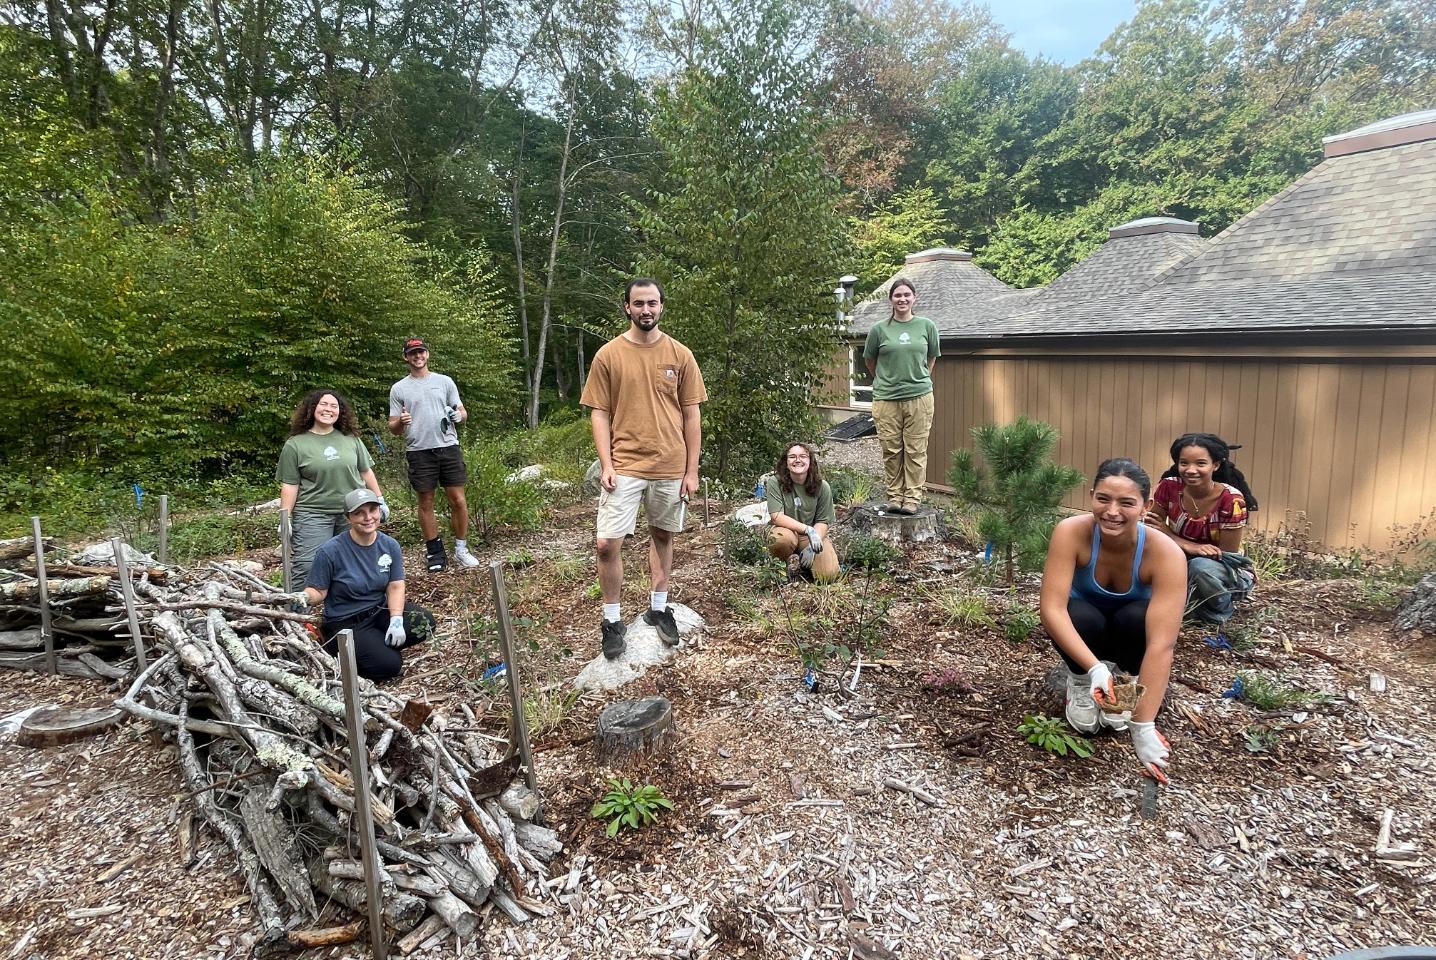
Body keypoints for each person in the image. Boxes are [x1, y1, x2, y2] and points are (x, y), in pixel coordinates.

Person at [579, 278, 706, 660]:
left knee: (663, 536)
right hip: (625, 464)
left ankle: (658, 606)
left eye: (652, 303)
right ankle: (612, 620)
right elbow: (599, 413)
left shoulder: (680, 354)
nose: (646, 310)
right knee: (606, 544)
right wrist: (606, 463)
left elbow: (691, 414)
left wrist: (691, 470)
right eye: (639, 304)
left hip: (670, 464)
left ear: (661, 307)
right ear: (627, 308)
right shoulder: (609, 355)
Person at [1039, 458, 1187, 782]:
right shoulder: (1071, 532)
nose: (1112, 511)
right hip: (1085, 633)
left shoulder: (1165, 553)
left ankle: (1125, 684)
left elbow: (1163, 643)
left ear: (1146, 506)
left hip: (1128, 637)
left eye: (1126, 502)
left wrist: (1143, 725)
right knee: (1079, 613)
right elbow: (1051, 609)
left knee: (1137, 616)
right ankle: (1080, 681)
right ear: (1091, 495)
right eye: (1103, 499)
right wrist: (1094, 669)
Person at [300, 488, 436, 681]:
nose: (368, 517)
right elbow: (318, 591)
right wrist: (304, 597)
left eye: (373, 510)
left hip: (379, 610)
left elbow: (395, 585)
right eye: (359, 513)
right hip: (346, 621)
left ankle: (373, 646)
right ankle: (339, 648)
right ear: (348, 518)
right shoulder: (330, 551)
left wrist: (396, 619)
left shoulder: (389, 545)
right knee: (390, 666)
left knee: (424, 622)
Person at [1145, 433, 1259, 625]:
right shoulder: (1169, 487)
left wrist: (1180, 542)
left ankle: (1219, 611)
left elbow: (1226, 555)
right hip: (1179, 559)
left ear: (1215, 465)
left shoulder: (1231, 500)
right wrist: (1185, 545)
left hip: (1222, 569)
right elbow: (1152, 528)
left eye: (1200, 463)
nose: (1190, 470)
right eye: (1184, 463)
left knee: (1199, 567)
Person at [277, 389, 386, 588]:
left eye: (334, 406)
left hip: (354, 512)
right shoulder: (296, 445)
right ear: (312, 409)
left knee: (354, 561)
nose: (329, 409)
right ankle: (298, 613)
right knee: (308, 564)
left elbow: (365, 471)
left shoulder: (350, 439)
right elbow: (290, 484)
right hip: (313, 514)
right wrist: (286, 518)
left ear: (340, 412)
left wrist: (380, 500)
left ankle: (352, 608)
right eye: (323, 405)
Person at [388, 337, 478, 572]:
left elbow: (461, 410)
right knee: (426, 502)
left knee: (458, 499)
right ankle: (435, 553)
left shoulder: (444, 382)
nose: (418, 356)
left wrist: (460, 416)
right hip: (419, 450)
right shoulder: (399, 389)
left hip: (448, 446)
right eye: (412, 353)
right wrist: (401, 421)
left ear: (427, 354)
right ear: (406, 357)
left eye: (421, 352)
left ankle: (461, 548)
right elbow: (393, 427)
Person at [863, 278, 940, 515]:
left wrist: (918, 378)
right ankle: (895, 497)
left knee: (916, 449)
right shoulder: (879, 329)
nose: (902, 299)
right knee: (891, 449)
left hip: (919, 397)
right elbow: (869, 360)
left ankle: (912, 499)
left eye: (907, 295)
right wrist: (885, 380)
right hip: (886, 399)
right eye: (897, 295)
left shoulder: (927, 326)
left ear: (914, 298)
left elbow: (931, 358)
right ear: (891, 300)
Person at [765, 442, 840, 582]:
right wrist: (808, 530)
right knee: (781, 540)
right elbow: (776, 517)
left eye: (803, 456)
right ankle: (779, 567)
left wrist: (813, 543)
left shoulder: (822, 487)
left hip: (812, 535)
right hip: (787, 530)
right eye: (792, 457)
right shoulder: (775, 483)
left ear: (810, 461)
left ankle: (807, 564)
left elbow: (823, 521)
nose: (798, 460)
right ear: (785, 462)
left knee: (828, 575)